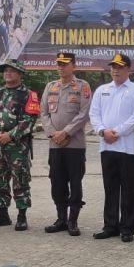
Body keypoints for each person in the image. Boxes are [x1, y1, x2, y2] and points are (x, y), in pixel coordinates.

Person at [88, 52, 134, 243]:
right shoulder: (102, 89)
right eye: (113, 67)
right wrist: (103, 131)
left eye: (120, 67)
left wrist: (117, 132)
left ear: (129, 69)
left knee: (129, 189)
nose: (116, 70)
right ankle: (110, 225)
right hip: (107, 146)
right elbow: (94, 114)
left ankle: (127, 227)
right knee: (110, 187)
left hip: (128, 148)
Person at [0, 59, 40, 231]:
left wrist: (10, 135)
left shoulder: (28, 95)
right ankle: (2, 214)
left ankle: (22, 216)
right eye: (5, 70)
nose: (8, 73)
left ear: (20, 74)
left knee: (20, 180)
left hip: (18, 146)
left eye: (12, 71)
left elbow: (29, 120)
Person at [40, 52, 92, 236]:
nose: (61, 67)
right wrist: (53, 133)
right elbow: (44, 113)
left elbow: (84, 113)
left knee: (75, 183)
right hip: (55, 145)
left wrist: (66, 132)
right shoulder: (50, 86)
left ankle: (73, 221)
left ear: (74, 66)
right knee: (57, 182)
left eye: (65, 64)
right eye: (59, 64)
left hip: (74, 145)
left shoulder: (82, 87)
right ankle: (61, 218)